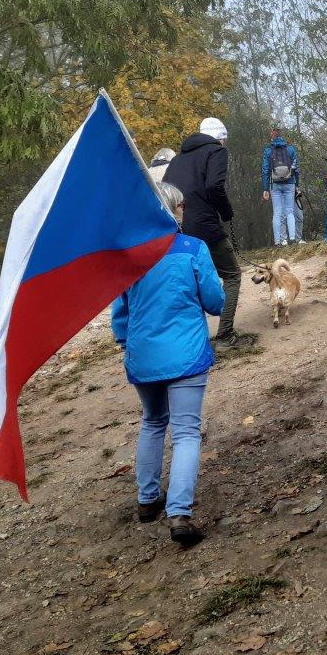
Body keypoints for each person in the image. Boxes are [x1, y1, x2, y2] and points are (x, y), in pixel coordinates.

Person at [111, 183, 225, 547]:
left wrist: (127, 343)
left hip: (142, 357)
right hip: (187, 355)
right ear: (174, 210)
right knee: (187, 431)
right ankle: (179, 512)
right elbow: (215, 302)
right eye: (180, 207)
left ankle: (147, 500)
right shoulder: (193, 248)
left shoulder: (128, 257)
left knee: (153, 422)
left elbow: (120, 314)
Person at [163, 117, 245, 347]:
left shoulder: (177, 160)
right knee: (231, 275)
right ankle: (225, 335)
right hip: (205, 224)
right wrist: (226, 212)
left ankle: (191, 338)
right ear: (220, 138)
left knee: (189, 281)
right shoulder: (216, 152)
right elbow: (214, 186)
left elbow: (166, 192)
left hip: (178, 227)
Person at [261, 129, 301, 246]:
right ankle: (292, 239)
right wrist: (297, 185)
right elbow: (296, 169)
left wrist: (265, 188)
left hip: (275, 185)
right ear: (282, 138)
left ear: (272, 138)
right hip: (290, 183)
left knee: (277, 213)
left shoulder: (268, 151)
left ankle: (278, 241)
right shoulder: (291, 149)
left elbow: (265, 170)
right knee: (290, 211)